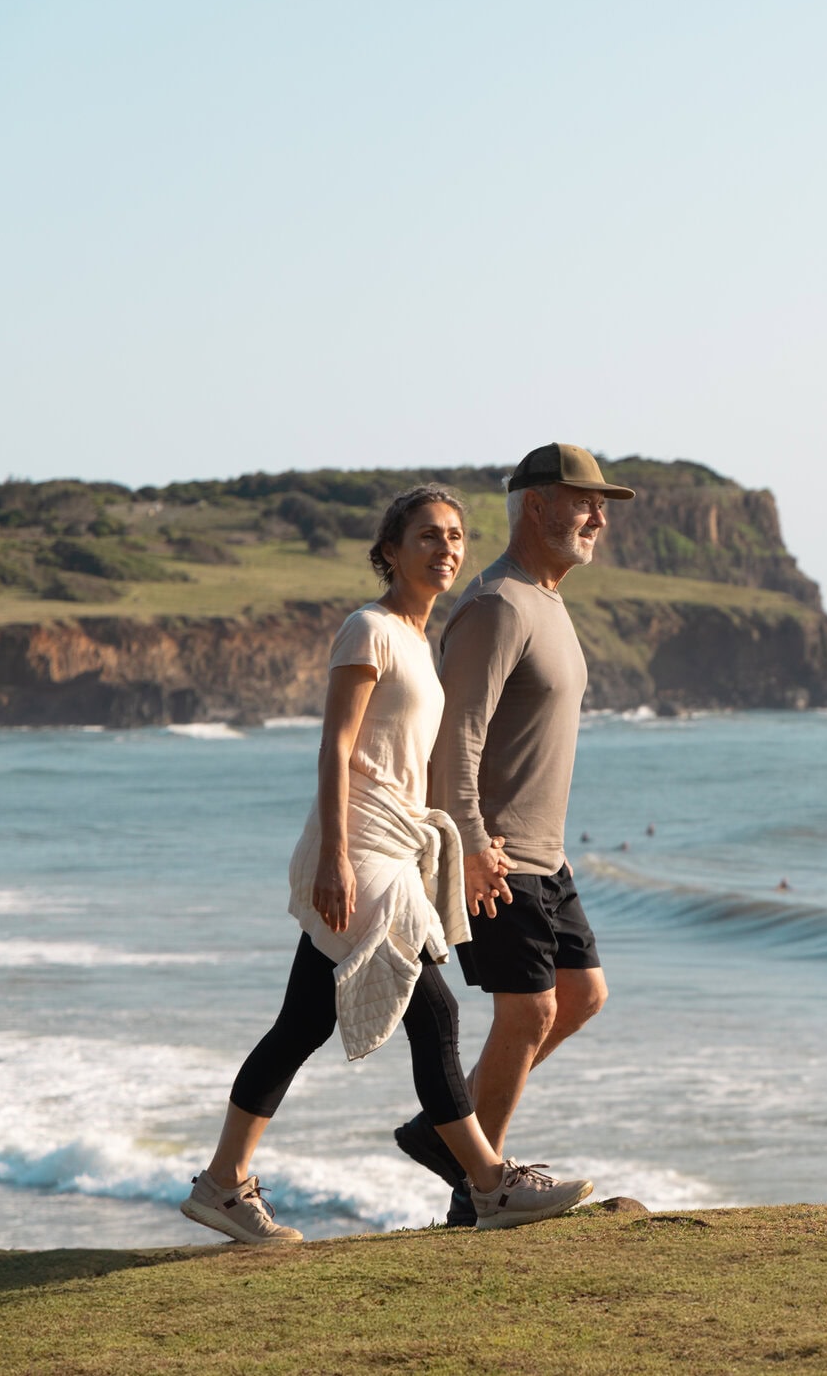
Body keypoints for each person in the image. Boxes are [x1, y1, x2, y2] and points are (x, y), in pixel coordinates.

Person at [181, 485, 588, 1245]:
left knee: (300, 1023)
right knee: (436, 1012)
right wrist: (335, 855)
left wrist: (470, 843)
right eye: (428, 536)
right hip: (360, 850)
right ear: (391, 551)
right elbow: (336, 748)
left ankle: (222, 1183)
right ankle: (490, 1183)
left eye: (457, 537)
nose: (447, 549)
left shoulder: (420, 645)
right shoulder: (366, 628)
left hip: (395, 848)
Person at [393, 444, 631, 1226]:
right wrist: (468, 844)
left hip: (546, 854)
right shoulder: (496, 605)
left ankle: (453, 1144)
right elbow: (455, 738)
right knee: (526, 1012)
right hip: (495, 853)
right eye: (583, 500)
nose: (598, 516)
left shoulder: (547, 601)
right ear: (536, 505)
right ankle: (483, 1185)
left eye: (602, 504)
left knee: (581, 995)